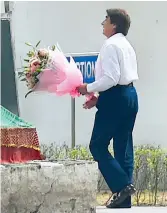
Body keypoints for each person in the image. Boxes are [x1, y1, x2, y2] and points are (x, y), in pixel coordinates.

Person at [77, 8, 139, 208]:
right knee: (123, 147)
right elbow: (119, 80)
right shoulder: (126, 45)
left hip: (115, 98)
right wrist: (99, 99)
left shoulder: (110, 45)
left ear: (114, 25)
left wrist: (88, 88)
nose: (102, 23)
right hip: (129, 96)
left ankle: (122, 186)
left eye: (105, 20)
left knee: (97, 145)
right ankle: (123, 200)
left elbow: (110, 79)